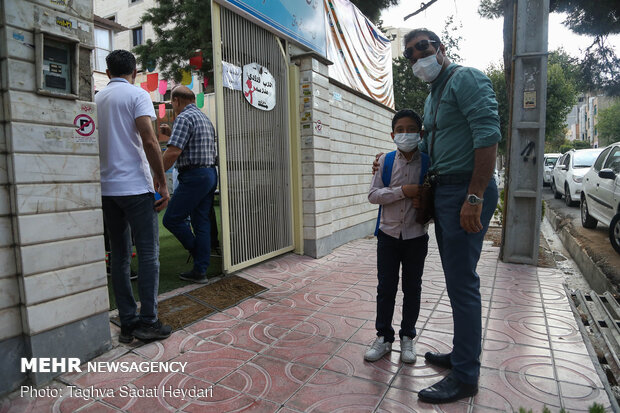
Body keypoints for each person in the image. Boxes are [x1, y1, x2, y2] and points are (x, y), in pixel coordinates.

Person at [375, 29, 500, 403]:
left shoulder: (465, 78)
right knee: (456, 280)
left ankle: (465, 376)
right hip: (446, 191)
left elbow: (488, 134)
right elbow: (428, 144)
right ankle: (463, 355)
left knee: (462, 283)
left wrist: (474, 197)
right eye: (410, 55)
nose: (417, 58)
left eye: (422, 48)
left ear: (440, 48)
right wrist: (390, 158)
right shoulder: (433, 96)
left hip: (465, 189)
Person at [96, 49, 172, 343]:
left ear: (107, 72)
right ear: (135, 72)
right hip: (136, 189)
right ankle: (149, 321)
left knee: (119, 255)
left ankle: (127, 322)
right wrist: (162, 184)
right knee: (149, 253)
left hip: (107, 190)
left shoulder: (98, 99)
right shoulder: (137, 95)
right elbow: (150, 140)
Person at [365, 109, 429, 365]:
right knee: (386, 288)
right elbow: (373, 195)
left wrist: (423, 197)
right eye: (400, 130)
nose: (405, 134)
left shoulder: (428, 162)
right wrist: (404, 191)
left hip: (416, 236)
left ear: (420, 133)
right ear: (392, 134)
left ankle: (407, 337)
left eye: (411, 129)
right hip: (388, 235)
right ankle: (384, 337)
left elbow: (433, 197)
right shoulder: (385, 161)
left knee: (412, 288)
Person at [161, 86, 218, 283]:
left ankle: (198, 254)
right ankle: (200, 269)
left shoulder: (183, 118)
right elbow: (192, 145)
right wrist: (171, 134)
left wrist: (158, 177)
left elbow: (173, 152)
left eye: (171, 104)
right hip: (209, 173)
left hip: (194, 176)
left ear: (176, 101)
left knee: (171, 219)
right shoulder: (204, 118)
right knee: (201, 222)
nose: (172, 107)